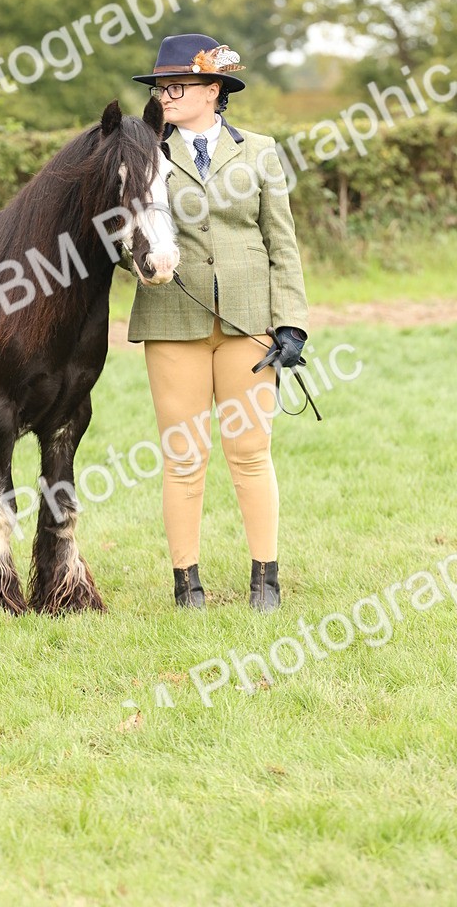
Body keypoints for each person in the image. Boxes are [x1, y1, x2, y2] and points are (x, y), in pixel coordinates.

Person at [124, 33, 309, 612]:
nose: (165, 95)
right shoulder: (145, 153)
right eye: (159, 87)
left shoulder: (259, 151)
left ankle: (265, 579)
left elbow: (282, 243)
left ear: (213, 89)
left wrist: (292, 324)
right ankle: (187, 585)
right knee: (184, 456)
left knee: (251, 451)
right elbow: (124, 231)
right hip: (172, 318)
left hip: (250, 322)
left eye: (176, 85)